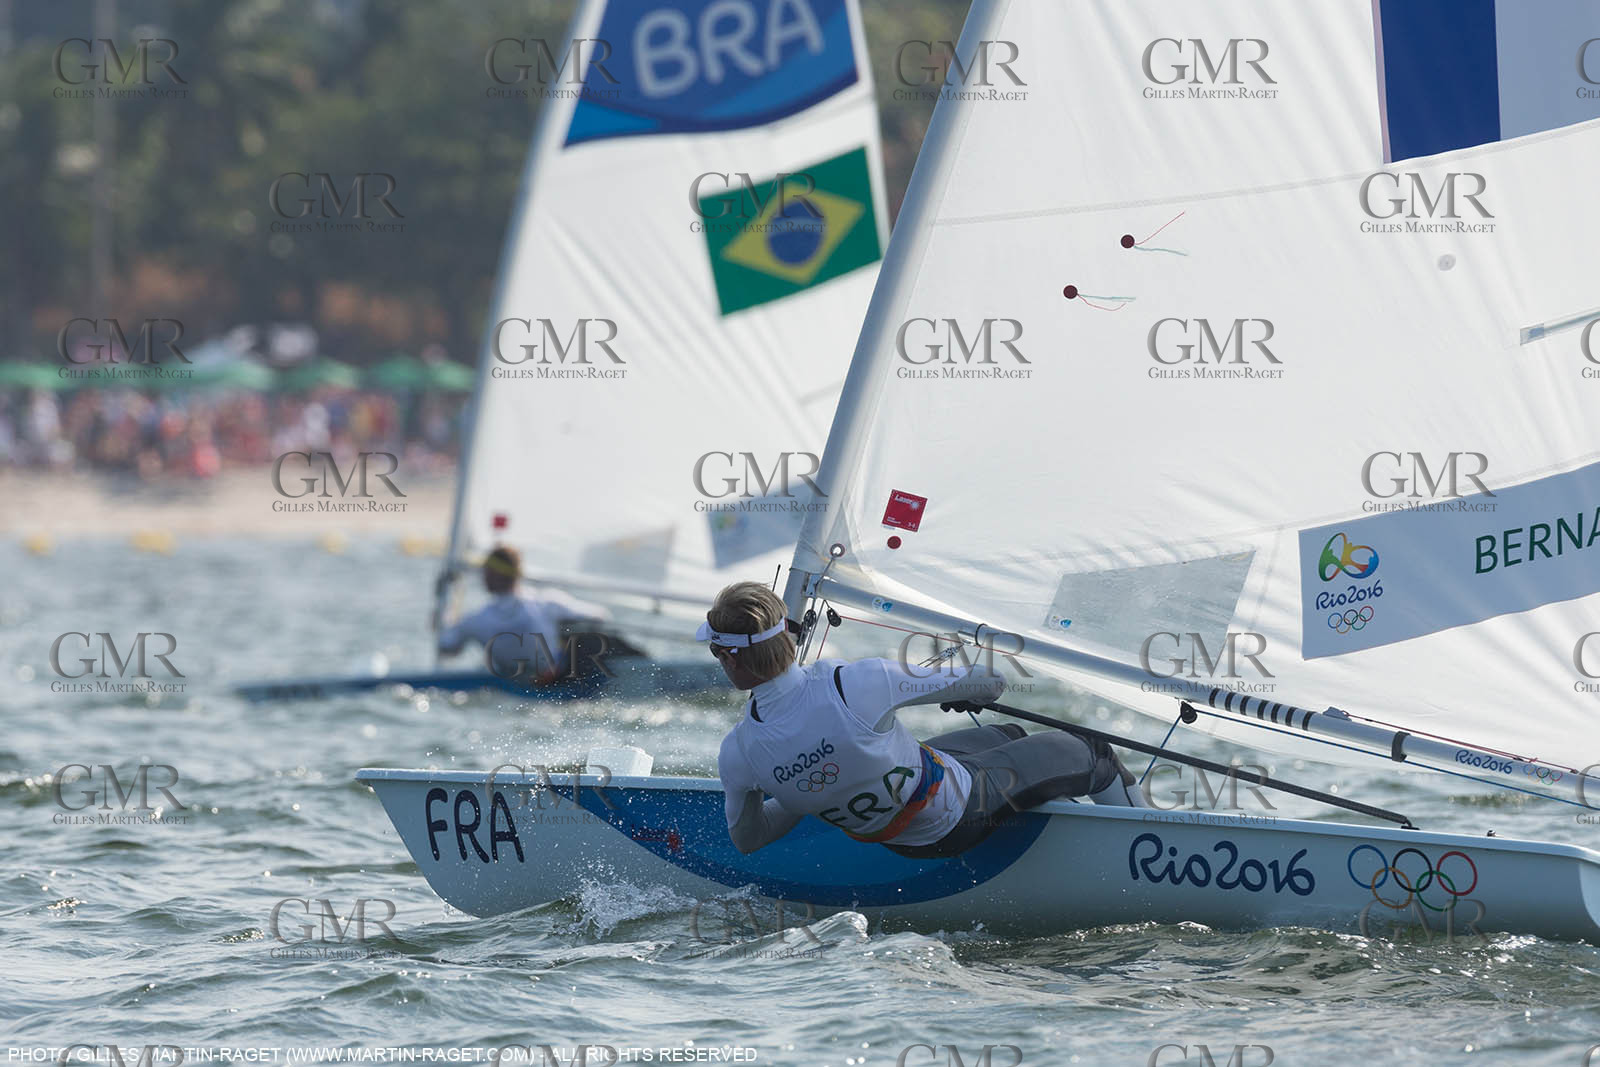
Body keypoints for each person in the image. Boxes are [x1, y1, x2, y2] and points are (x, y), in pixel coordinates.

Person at [702, 582, 1146, 858]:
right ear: (788, 635)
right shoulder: (856, 681)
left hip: (904, 845)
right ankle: (1147, 850)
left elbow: (749, 839)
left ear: (728, 658)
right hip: (962, 811)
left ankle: (1059, 829)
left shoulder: (738, 753)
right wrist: (959, 685)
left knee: (1006, 735)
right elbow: (991, 683)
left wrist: (805, 790)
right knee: (1094, 753)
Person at [436, 545, 610, 684]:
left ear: (490, 574)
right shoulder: (547, 603)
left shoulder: (475, 621)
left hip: (510, 688)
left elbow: (446, 647)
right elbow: (601, 616)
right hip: (558, 685)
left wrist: (444, 618)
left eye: (485, 570)